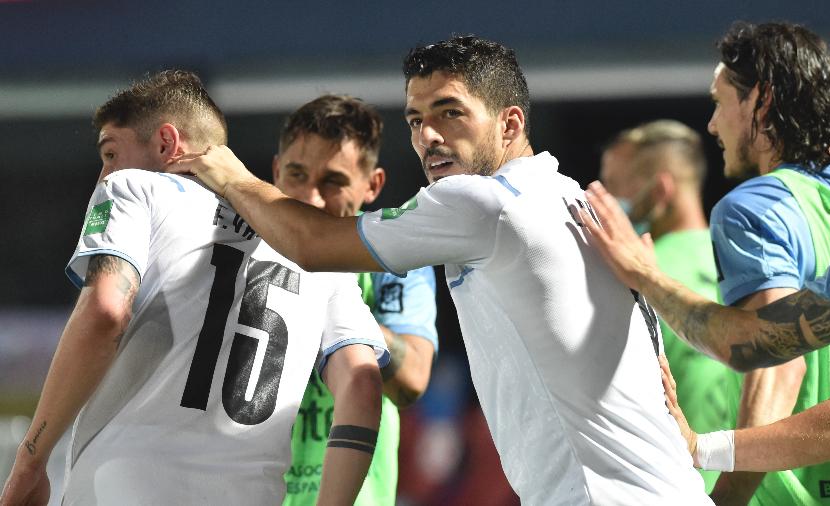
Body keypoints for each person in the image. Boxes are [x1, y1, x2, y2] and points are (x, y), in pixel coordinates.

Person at [170, 36, 712, 504]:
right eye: (415, 120)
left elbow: (311, 244)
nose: (428, 135)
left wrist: (225, 171)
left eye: (450, 113)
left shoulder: (483, 203)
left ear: (510, 123)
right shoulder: (566, 196)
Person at [0, 71, 387, 506]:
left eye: (111, 152)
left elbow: (106, 311)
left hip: (124, 488)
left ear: (167, 143)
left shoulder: (133, 187)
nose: (103, 173)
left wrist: (32, 458)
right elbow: (362, 386)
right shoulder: (324, 260)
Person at [580, 54, 830, 506]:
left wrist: (721, 483)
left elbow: (788, 370)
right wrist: (701, 449)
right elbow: (764, 346)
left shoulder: (761, 210)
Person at [702, 22, 830, 505]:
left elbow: (777, 364)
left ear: (760, 100)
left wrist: (726, 498)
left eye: (720, 102)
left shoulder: (753, 207)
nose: (712, 124)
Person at [273, 95, 438, 506]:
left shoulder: (395, 263)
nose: (311, 198)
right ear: (275, 172)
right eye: (296, 174)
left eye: (333, 181)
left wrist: (328, 294)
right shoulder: (233, 262)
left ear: (372, 186)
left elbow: (412, 380)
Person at [600, 119, 739, 492]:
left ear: (661, 188)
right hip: (754, 487)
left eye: (613, 187)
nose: (606, 204)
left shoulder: (631, 278)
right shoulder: (747, 265)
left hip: (674, 487)